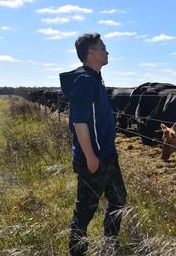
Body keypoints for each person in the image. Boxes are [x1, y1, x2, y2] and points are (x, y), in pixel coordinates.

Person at [59, 33, 127, 255]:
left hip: (107, 155)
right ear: (90, 52)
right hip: (94, 158)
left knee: (118, 197)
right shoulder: (84, 81)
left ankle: (109, 243)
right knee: (85, 210)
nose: (107, 52)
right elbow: (79, 123)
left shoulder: (96, 78)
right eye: (103, 47)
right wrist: (90, 157)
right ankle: (77, 251)